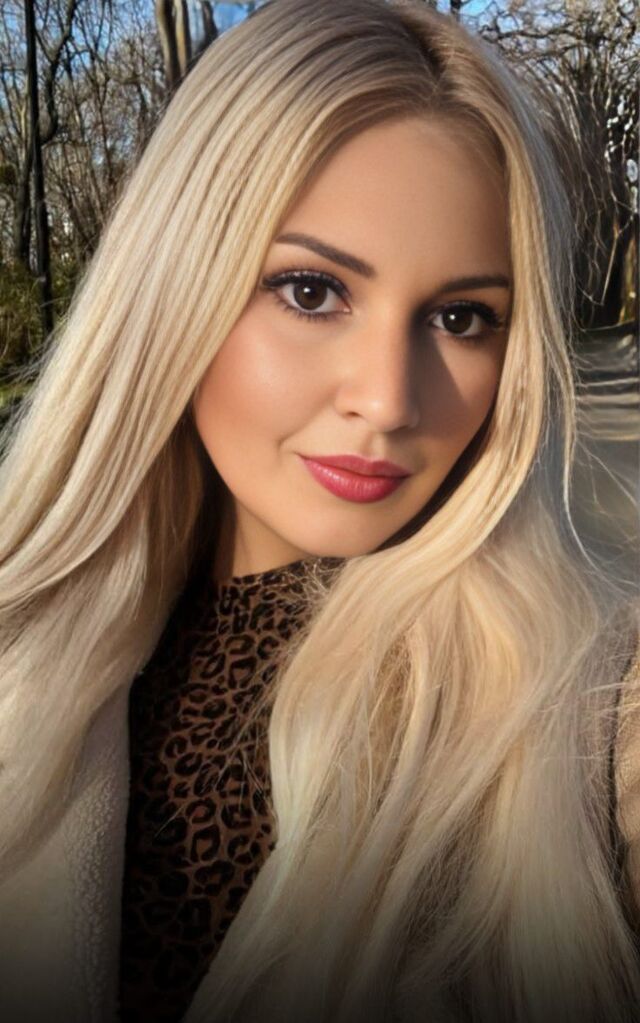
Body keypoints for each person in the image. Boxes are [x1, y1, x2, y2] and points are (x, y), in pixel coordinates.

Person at [0, 0, 638, 1021]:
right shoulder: (29, 644)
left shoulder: (585, 704)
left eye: (461, 317)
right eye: (311, 292)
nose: (387, 400)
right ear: (173, 293)